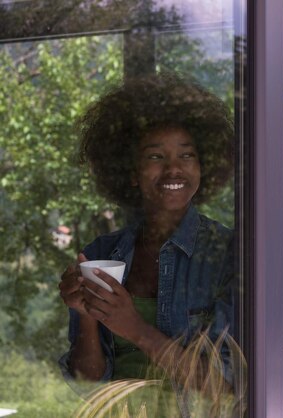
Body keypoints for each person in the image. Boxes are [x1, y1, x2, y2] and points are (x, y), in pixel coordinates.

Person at [57, 74, 236, 417]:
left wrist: (135, 329)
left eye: (187, 155)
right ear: (132, 171)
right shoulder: (100, 253)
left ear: (204, 165)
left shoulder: (227, 254)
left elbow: (224, 388)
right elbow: (88, 383)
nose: (173, 169)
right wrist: (86, 315)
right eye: (156, 156)